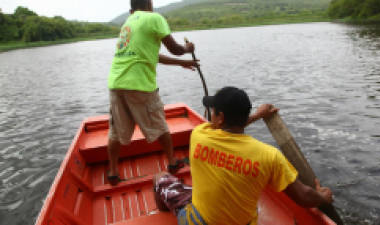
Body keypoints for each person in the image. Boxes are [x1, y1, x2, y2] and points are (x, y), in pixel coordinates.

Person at [153, 86, 333, 225]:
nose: (210, 116)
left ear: (220, 117)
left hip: (198, 221)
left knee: (159, 177)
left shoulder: (200, 135)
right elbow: (304, 196)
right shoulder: (269, 156)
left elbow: (227, 126)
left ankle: (164, 212)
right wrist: (323, 198)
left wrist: (257, 116)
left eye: (212, 111)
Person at [107, 0, 198, 185]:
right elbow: (176, 49)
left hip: (116, 83)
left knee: (116, 130)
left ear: (132, 8)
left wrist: (182, 63)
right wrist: (188, 49)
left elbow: (151, 55)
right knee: (160, 124)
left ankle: (113, 172)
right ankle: (172, 163)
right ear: (150, 4)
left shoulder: (129, 22)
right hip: (139, 84)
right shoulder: (154, 18)